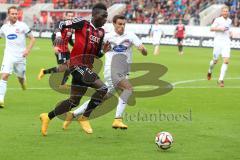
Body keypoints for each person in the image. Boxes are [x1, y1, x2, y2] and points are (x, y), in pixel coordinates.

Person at [62, 15, 147, 130]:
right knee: (127, 89)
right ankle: (118, 119)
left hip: (123, 72)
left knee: (102, 98)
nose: (122, 26)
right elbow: (96, 50)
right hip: (111, 69)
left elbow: (142, 48)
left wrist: (143, 50)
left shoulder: (130, 36)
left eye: (123, 24)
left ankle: (72, 114)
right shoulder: (107, 37)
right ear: (114, 24)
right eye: (119, 24)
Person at [39, 3, 110, 136]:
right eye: (104, 16)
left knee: (73, 102)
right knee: (103, 89)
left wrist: (103, 51)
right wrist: (59, 37)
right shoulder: (82, 23)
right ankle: (85, 117)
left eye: (107, 17)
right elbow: (61, 24)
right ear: (95, 15)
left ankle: (47, 117)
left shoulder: (101, 32)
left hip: (86, 67)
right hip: (76, 65)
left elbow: (95, 55)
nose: (106, 19)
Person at [0, 6, 35, 108]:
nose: (15, 15)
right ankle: (1, 99)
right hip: (9, 55)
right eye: (13, 14)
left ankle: (22, 81)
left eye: (16, 14)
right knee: (4, 75)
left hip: (20, 57)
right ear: (8, 15)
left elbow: (32, 39)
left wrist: (27, 50)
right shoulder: (4, 27)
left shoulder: (23, 26)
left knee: (20, 78)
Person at [37, 11, 75, 87]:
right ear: (65, 16)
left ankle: (62, 84)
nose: (70, 17)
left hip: (66, 50)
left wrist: (75, 46)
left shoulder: (71, 28)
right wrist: (55, 46)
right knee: (63, 67)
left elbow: (70, 40)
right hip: (59, 49)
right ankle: (44, 72)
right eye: (69, 16)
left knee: (70, 67)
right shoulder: (61, 24)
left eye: (71, 16)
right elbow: (53, 36)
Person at [207, 6, 232, 87]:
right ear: (221, 12)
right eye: (224, 11)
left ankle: (220, 80)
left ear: (228, 12)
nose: (225, 12)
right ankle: (210, 70)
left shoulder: (229, 20)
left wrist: (231, 34)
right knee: (215, 61)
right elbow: (211, 28)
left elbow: (228, 30)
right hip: (218, 43)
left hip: (226, 43)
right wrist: (219, 29)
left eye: (227, 11)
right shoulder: (218, 20)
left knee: (226, 61)